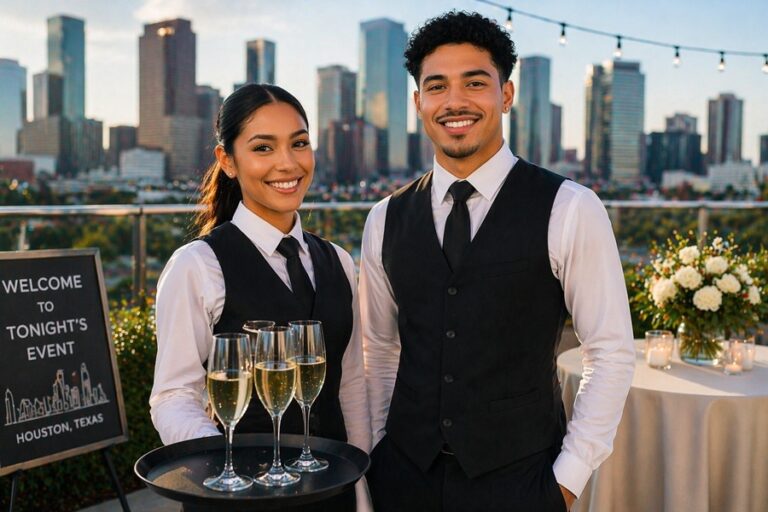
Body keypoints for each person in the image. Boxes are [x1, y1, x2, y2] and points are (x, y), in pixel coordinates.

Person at [360, 11, 635, 512]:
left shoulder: (570, 207)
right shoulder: (384, 218)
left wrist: (565, 483)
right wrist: (378, 453)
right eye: (437, 86)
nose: (455, 101)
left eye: (475, 82)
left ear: (505, 95)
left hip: (522, 483)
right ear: (418, 102)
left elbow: (610, 352)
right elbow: (379, 350)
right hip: (402, 478)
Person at [150, 83, 371, 511]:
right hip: (240, 499)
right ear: (227, 162)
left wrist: (363, 494)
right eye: (263, 148)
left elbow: (352, 385)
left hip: (332, 496)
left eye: (299, 143)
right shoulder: (197, 266)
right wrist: (226, 468)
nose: (287, 163)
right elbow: (174, 397)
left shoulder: (340, 262)